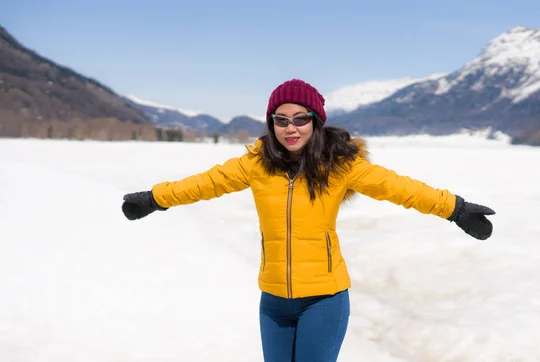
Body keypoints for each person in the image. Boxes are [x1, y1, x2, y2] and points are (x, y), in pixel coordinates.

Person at [121, 79, 495, 362]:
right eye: (281, 120)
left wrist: (456, 209)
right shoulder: (255, 165)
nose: (291, 128)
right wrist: (155, 199)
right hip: (274, 302)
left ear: (316, 122)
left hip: (324, 300)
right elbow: (203, 184)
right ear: (271, 124)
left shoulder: (340, 166)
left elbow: (399, 188)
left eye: (301, 119)